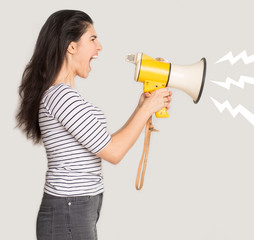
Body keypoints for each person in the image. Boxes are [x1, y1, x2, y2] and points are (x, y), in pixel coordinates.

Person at [16, 9, 172, 240]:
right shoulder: (61, 97)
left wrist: (142, 108)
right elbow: (114, 152)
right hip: (69, 210)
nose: (99, 47)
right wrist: (148, 109)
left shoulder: (64, 96)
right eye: (92, 39)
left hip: (74, 208)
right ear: (71, 46)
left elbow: (105, 143)